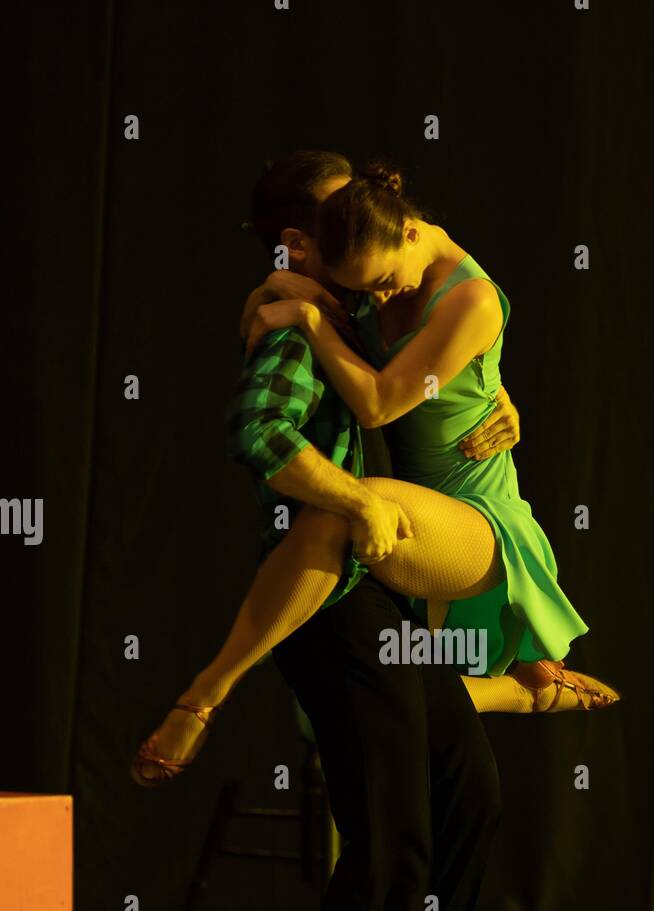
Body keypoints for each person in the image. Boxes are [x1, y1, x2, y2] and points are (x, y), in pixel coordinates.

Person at [135, 151, 526, 911]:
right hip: (325, 594)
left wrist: (496, 393)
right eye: (336, 218)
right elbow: (260, 438)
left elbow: (430, 376)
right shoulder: (289, 321)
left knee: (466, 779)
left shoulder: (357, 309)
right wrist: (353, 501)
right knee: (391, 819)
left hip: (377, 577)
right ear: (302, 240)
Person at [131, 156, 619, 781]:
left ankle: (205, 693)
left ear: (409, 231)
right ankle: (520, 694)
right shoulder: (371, 254)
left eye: (384, 281)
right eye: (364, 289)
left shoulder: (467, 297)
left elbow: (381, 400)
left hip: (479, 520)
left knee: (348, 502)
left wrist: (310, 317)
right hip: (411, 515)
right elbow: (276, 292)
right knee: (368, 705)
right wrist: (269, 290)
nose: (379, 298)